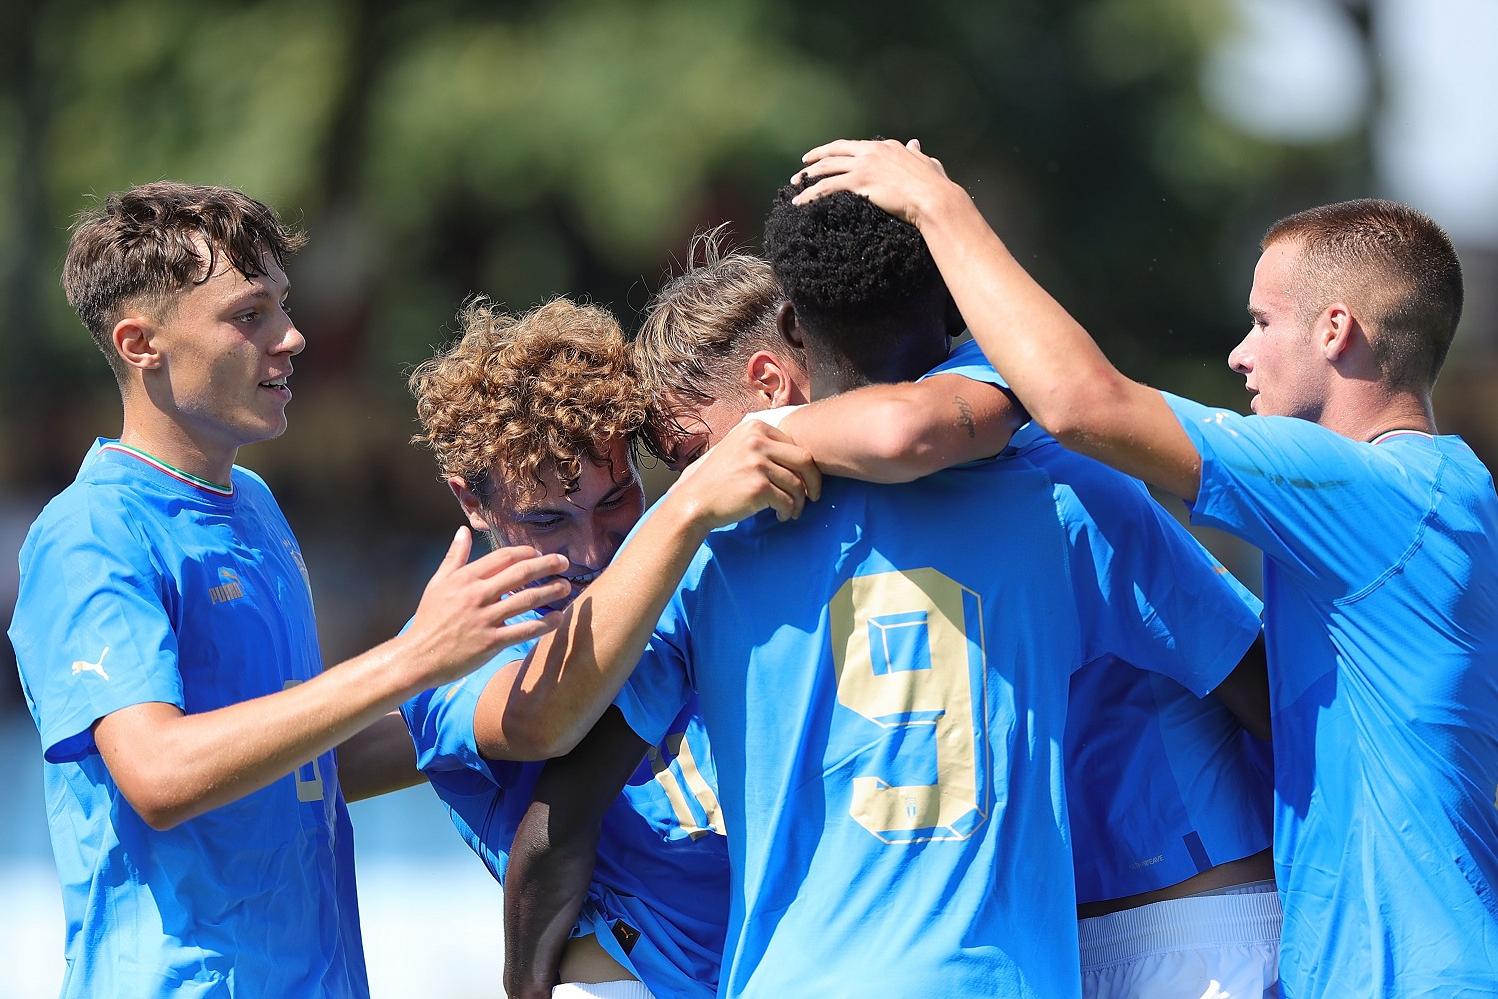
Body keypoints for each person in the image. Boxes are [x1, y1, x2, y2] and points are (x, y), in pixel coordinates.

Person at [498, 191, 1266, 997]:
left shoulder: (707, 551)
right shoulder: (1048, 483)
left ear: (776, 367)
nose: (695, 479)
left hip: (1148, 924)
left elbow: (555, 824)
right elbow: (1279, 703)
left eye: (693, 452)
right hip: (1030, 964)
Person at [794, 138, 1498, 995]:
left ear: (1336, 330)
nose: (1241, 353)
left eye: (1263, 322)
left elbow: (1084, 404)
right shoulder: (1410, 501)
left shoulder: (1384, 493)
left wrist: (938, 205)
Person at [6, 182, 568, 997]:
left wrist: (516, 703)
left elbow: (306, 760)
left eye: (284, 306)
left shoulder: (257, 505)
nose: (292, 337)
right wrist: (412, 657)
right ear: (140, 344)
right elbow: (158, 773)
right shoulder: (92, 531)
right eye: (250, 314)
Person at [402, 295, 819, 999]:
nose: (592, 551)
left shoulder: (685, 562)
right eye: (547, 519)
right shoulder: (455, 652)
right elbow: (544, 726)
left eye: (615, 499)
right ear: (471, 502)